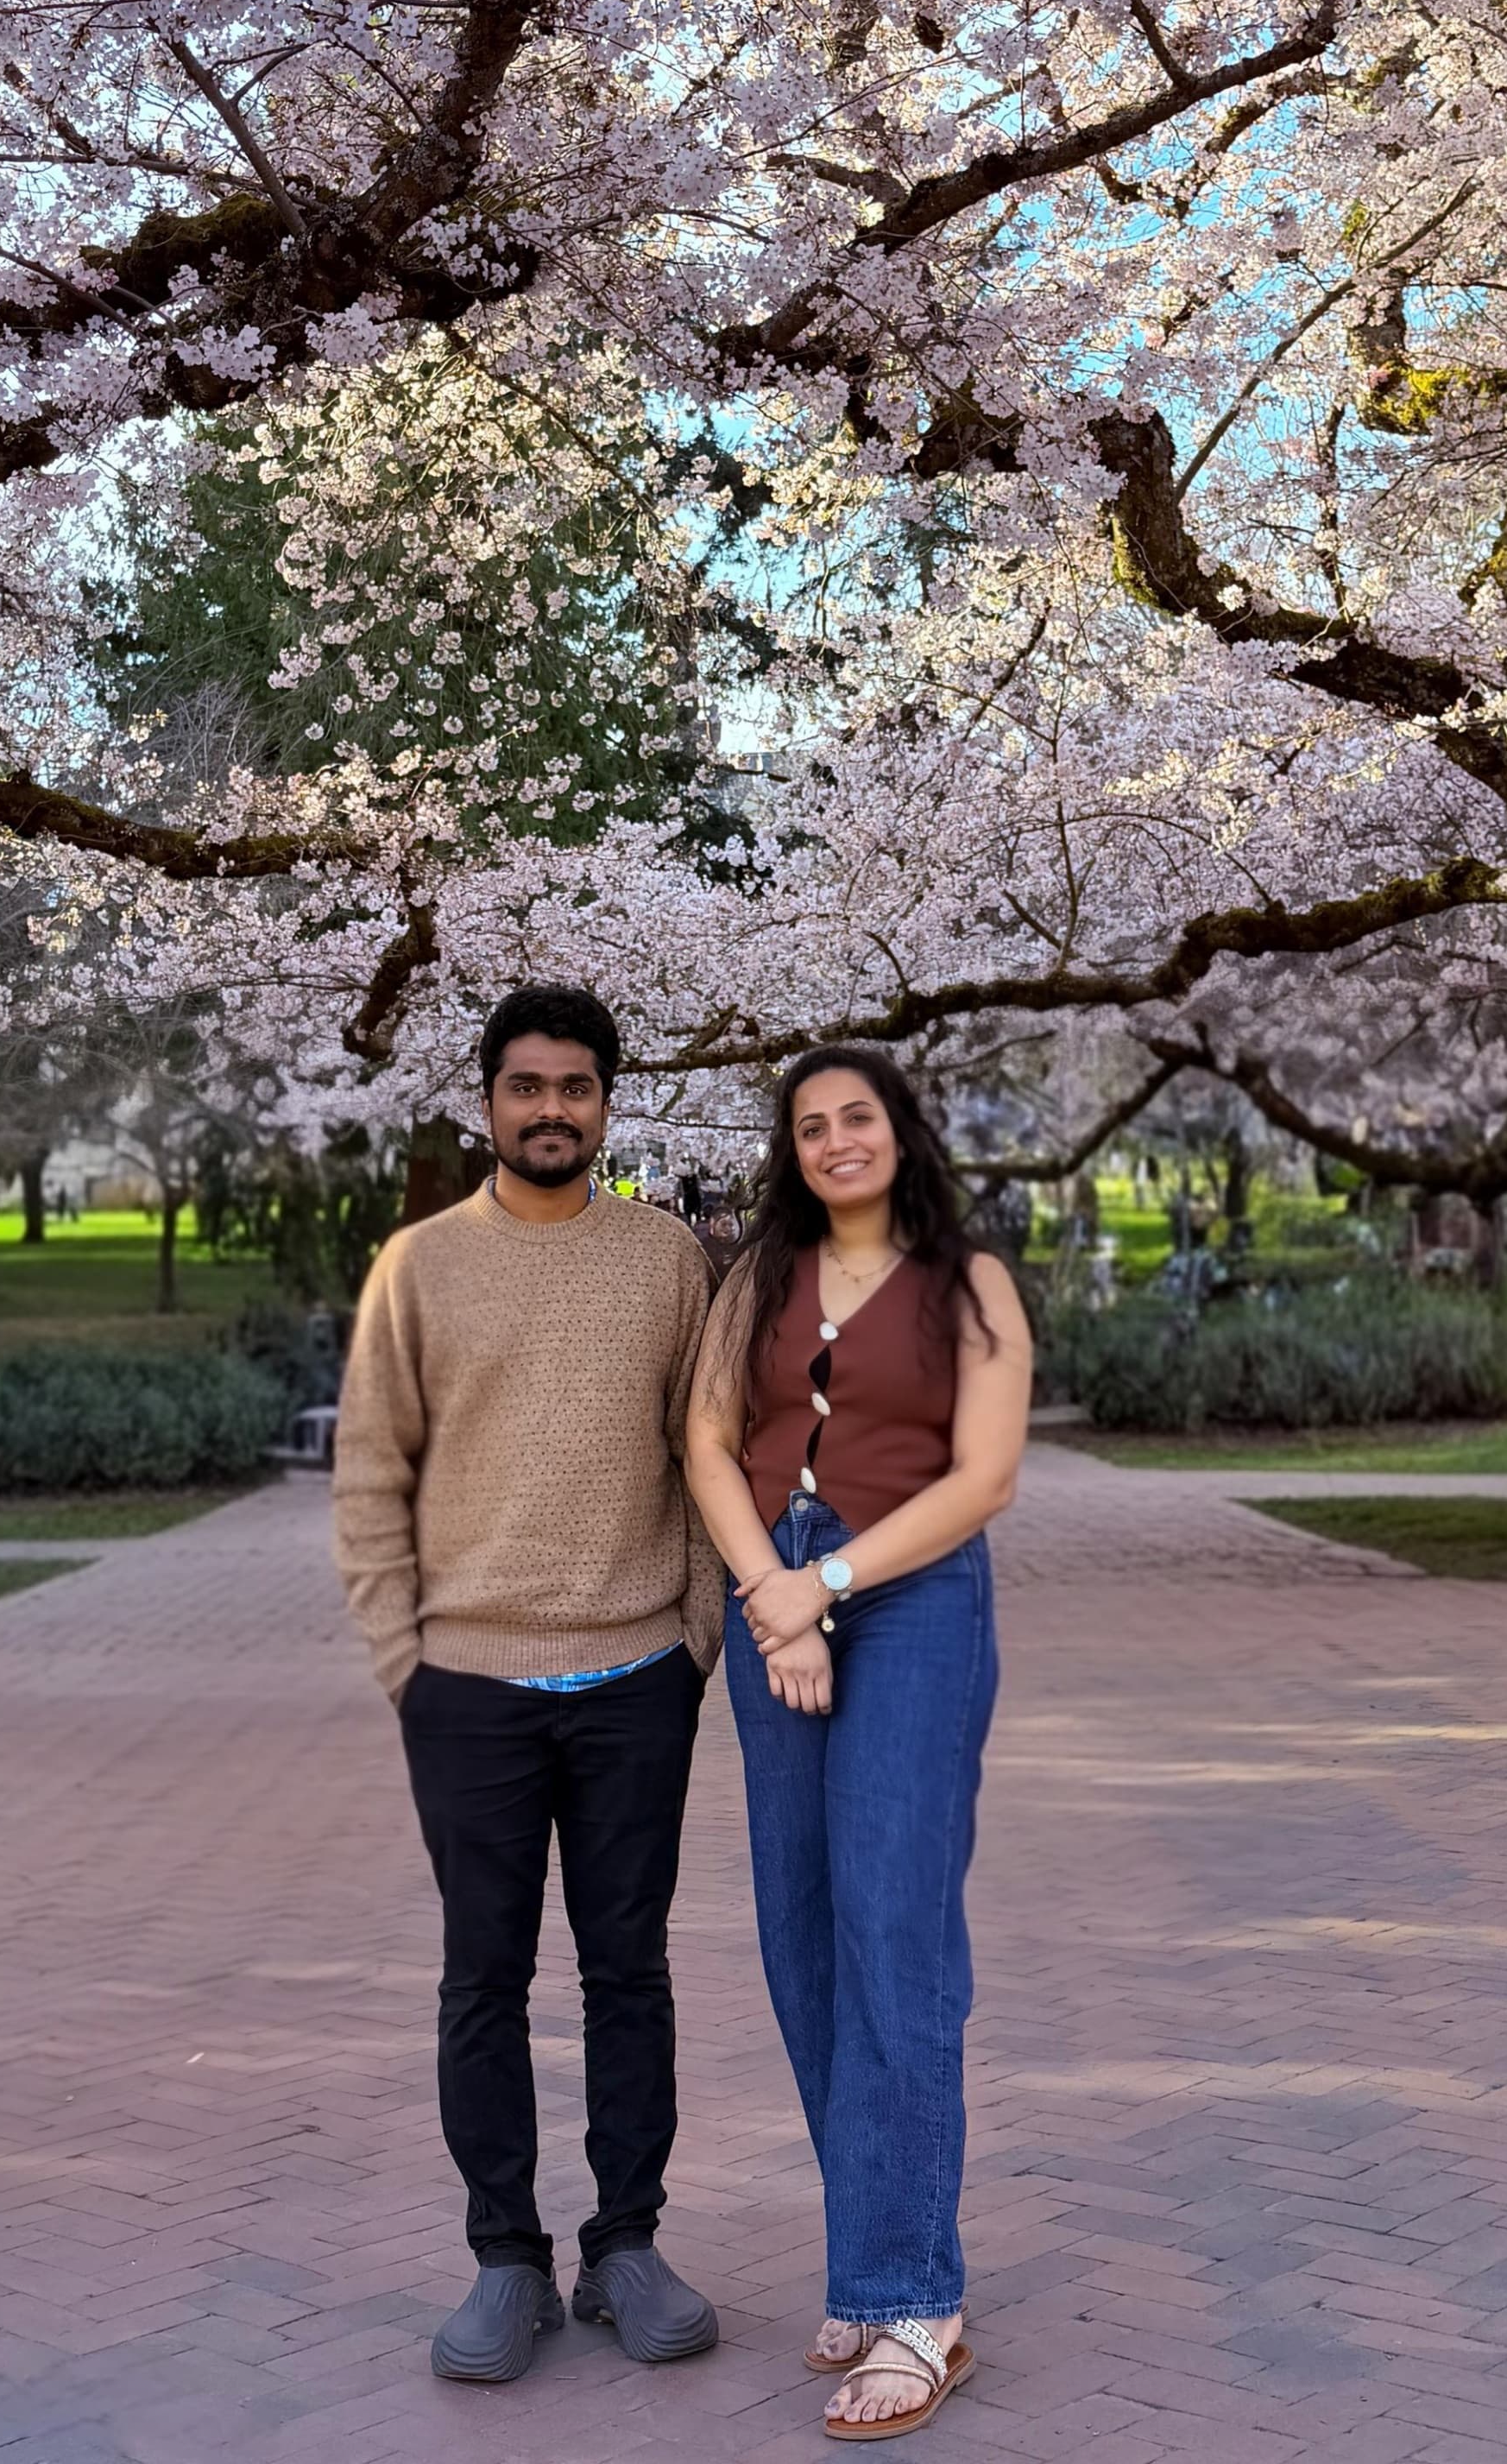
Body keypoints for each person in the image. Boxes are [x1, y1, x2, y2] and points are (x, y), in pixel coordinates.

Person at [332, 983, 723, 2386]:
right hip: (471, 1689)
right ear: (488, 1101)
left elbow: (707, 1456)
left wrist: (695, 1640)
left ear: (608, 1103)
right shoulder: (422, 1266)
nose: (550, 1109)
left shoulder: (669, 1259)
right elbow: (371, 1470)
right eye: (526, 1086)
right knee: (481, 1979)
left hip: (636, 1679)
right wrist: (408, 1665)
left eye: (576, 1088)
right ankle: (507, 2258)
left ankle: (626, 2245)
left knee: (630, 1972)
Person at [686, 1046, 1031, 2443]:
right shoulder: (755, 1277)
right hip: (773, 1591)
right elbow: (705, 1441)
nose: (836, 1141)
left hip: (915, 1604)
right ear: (792, 1148)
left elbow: (987, 1476)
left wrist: (822, 1590)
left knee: (895, 1932)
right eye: (811, 1125)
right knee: (803, 1931)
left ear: (902, 1132)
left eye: (859, 1118)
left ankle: (914, 2301)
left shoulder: (972, 1285)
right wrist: (772, 1592)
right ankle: (871, 2241)